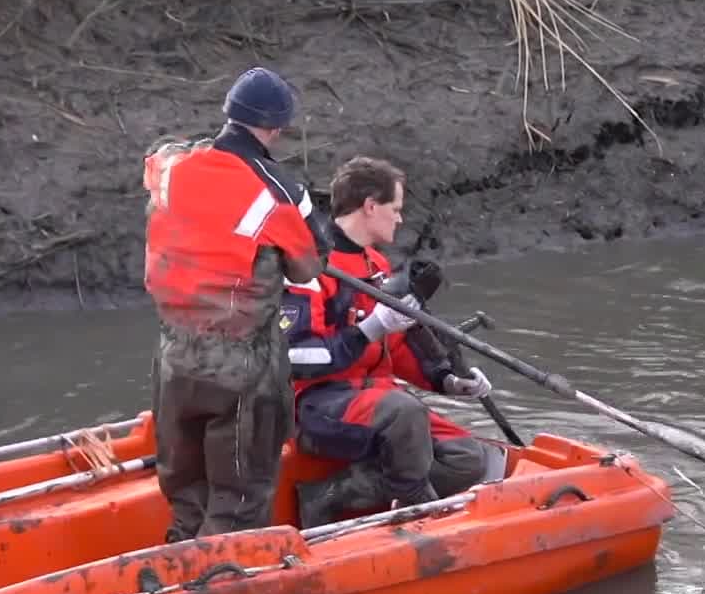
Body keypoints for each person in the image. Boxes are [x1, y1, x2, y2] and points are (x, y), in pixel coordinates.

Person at [141, 67, 331, 541]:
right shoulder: (279, 192)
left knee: (185, 492)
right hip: (243, 368)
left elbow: (157, 158)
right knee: (239, 499)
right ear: (277, 127)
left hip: (173, 361)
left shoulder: (171, 169)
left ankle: (178, 568)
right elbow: (309, 266)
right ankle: (224, 587)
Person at [278, 156, 500, 529]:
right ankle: (419, 509)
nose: (399, 219)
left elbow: (395, 348)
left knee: (467, 458)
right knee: (403, 410)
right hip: (318, 406)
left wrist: (445, 381)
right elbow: (294, 356)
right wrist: (368, 330)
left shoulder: (376, 264)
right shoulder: (310, 269)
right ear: (370, 206)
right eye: (395, 209)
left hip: (378, 399)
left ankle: (335, 494)